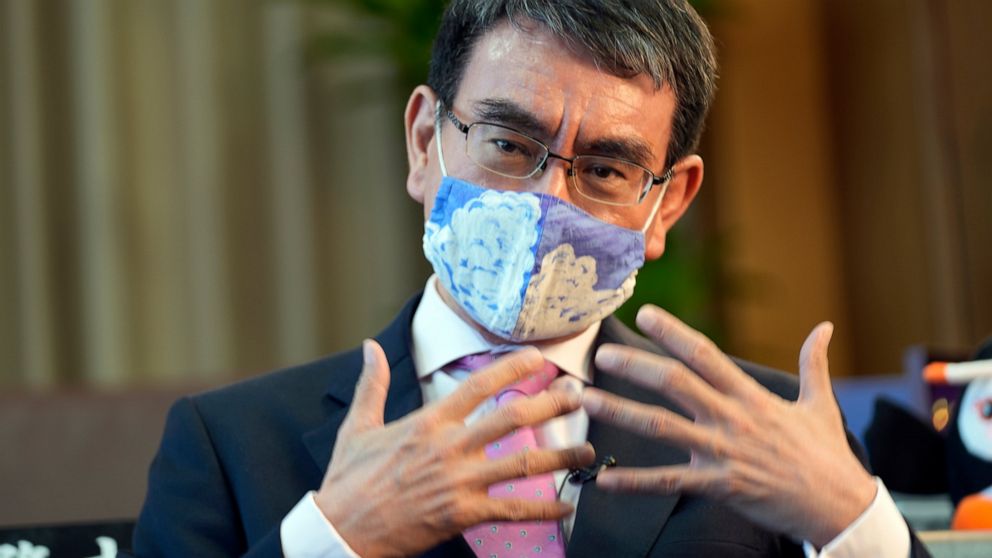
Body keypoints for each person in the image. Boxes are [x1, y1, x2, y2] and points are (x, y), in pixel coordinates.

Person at [128, 1, 930, 557]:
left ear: (669, 204)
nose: (548, 205)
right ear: (424, 142)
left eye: (606, 169)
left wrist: (852, 522)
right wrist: (334, 539)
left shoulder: (767, 432)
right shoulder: (228, 447)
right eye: (510, 145)